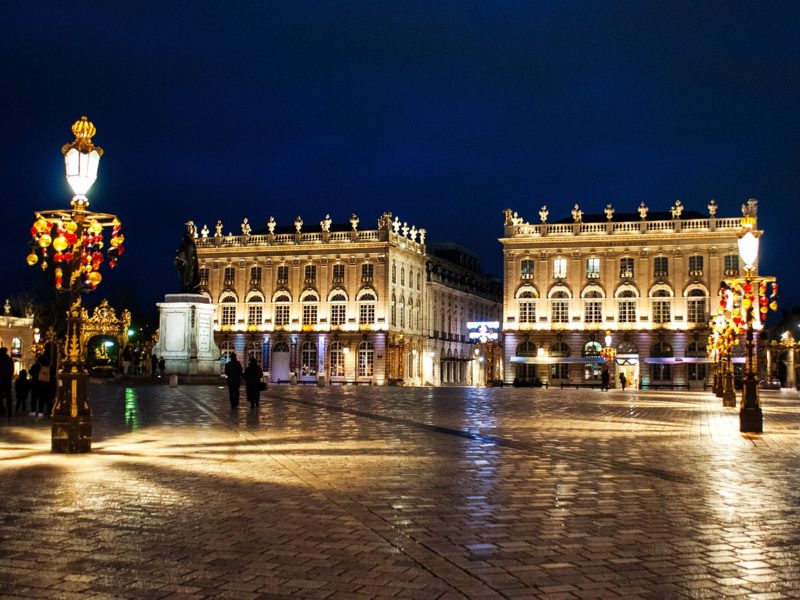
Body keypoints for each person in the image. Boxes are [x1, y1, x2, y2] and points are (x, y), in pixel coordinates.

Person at [0, 347, 14, 417]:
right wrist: (10, 377)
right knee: (8, 397)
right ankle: (9, 411)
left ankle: (1, 411)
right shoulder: (9, 360)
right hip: (7, 381)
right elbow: (12, 370)